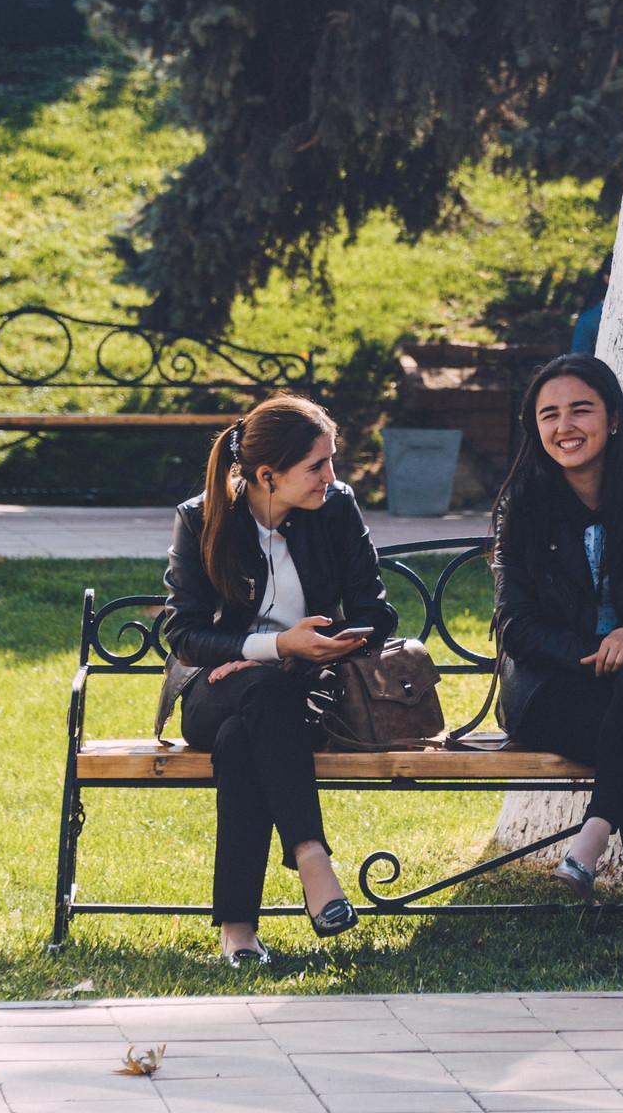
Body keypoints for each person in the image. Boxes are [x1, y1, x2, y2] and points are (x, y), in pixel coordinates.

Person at [158, 393, 397, 968]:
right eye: (317, 465)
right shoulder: (202, 518)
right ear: (267, 475)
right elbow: (184, 633)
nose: (331, 476)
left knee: (247, 737)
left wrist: (319, 645)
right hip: (214, 689)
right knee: (255, 696)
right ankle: (311, 856)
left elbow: (378, 609)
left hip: (301, 691)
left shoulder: (336, 509)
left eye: (331, 460)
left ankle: (238, 930)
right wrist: (266, 647)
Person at [492, 352, 623, 963]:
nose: (565, 426)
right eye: (549, 414)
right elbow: (514, 625)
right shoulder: (523, 506)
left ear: (613, 417)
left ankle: (593, 837)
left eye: (580, 409)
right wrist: (603, 651)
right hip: (552, 691)